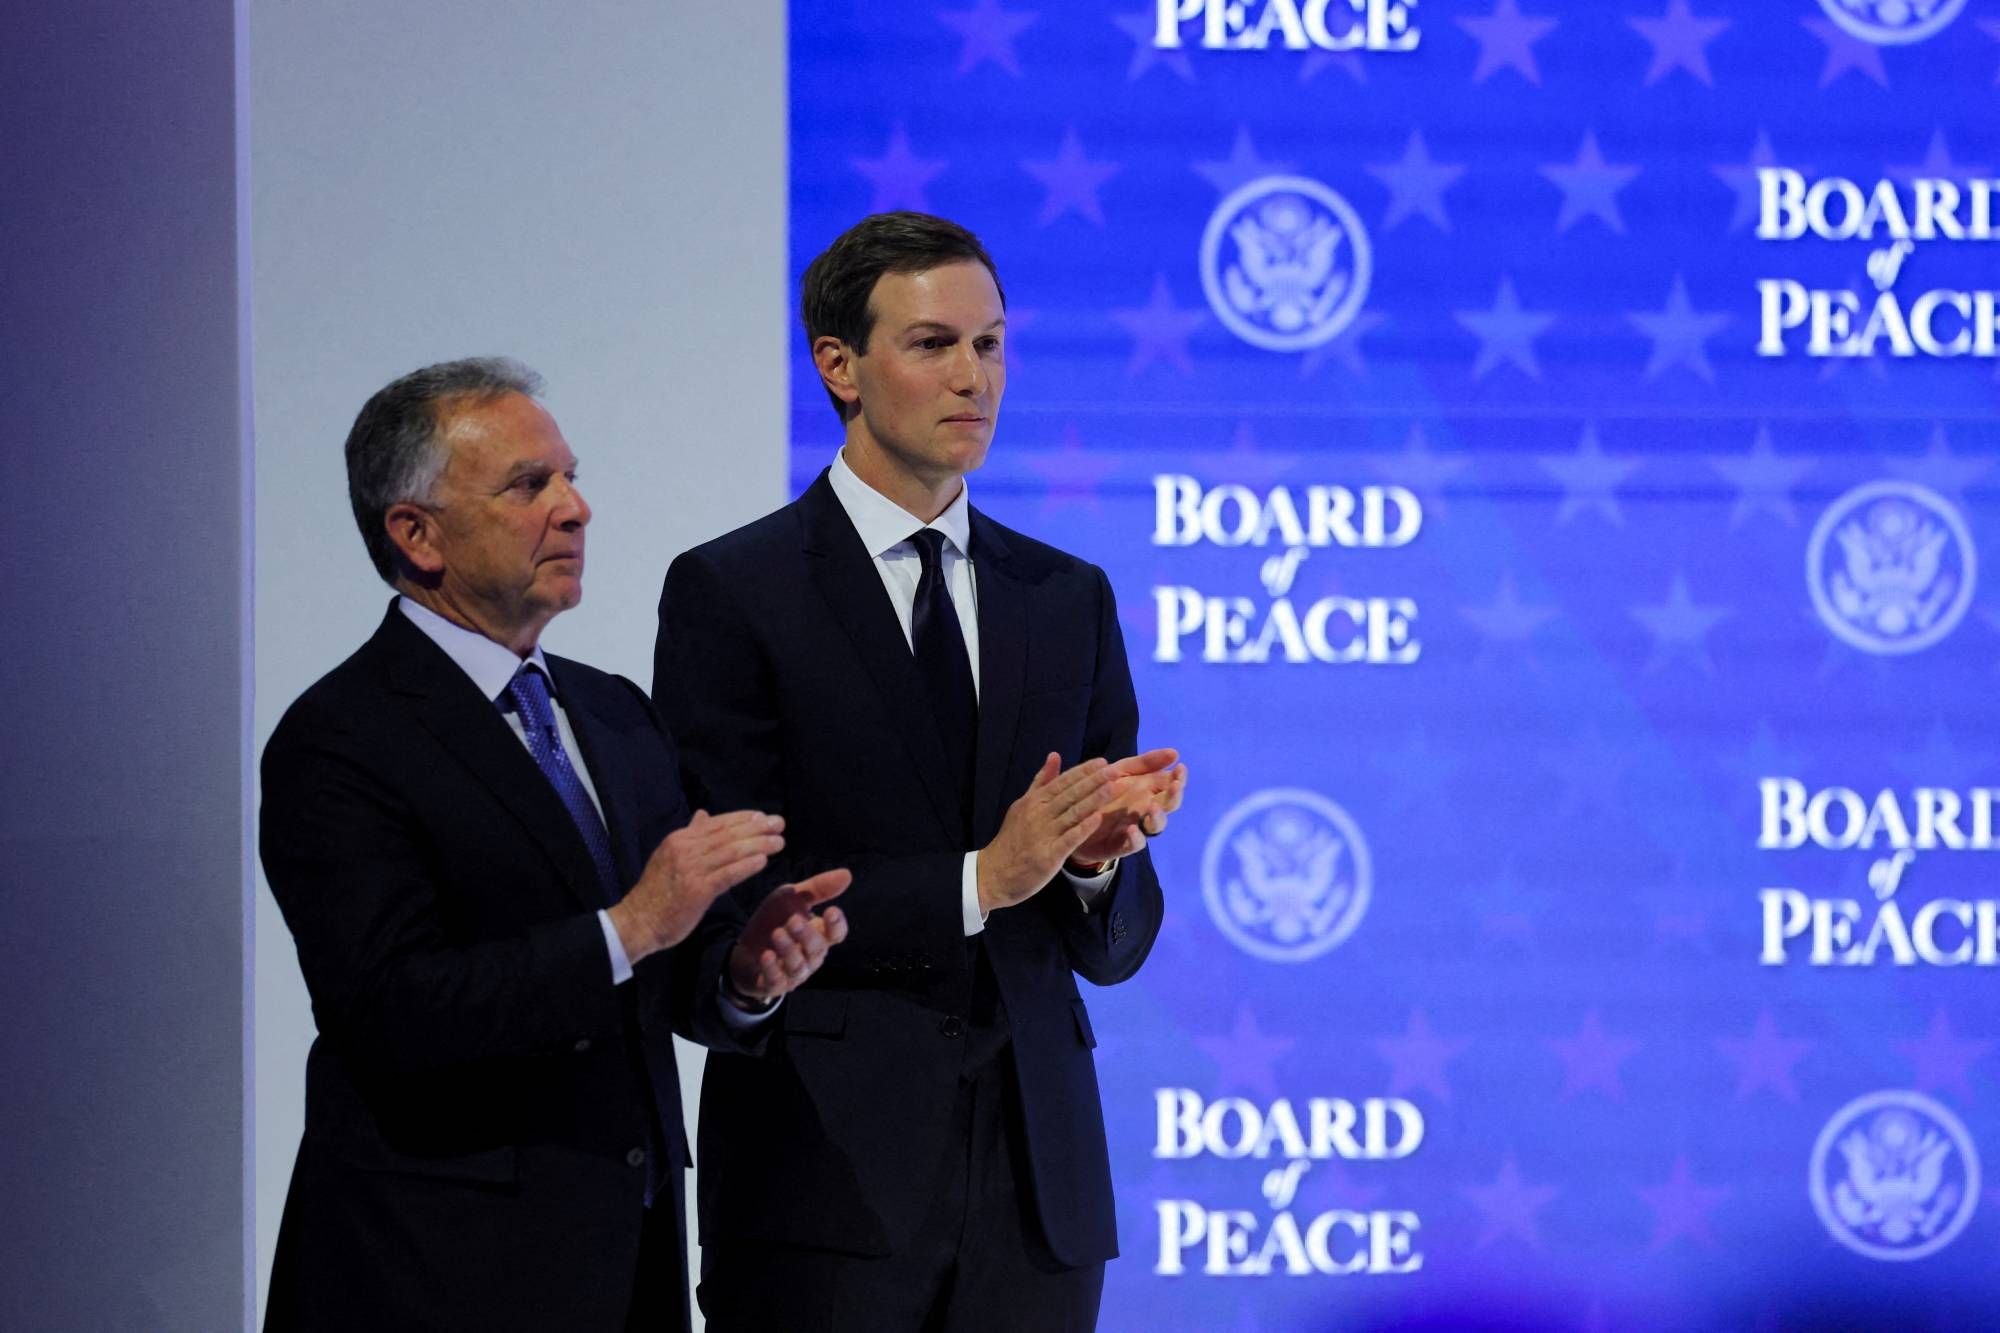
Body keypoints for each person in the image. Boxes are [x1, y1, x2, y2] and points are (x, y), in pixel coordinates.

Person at [654, 213, 1188, 1331]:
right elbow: (737, 899)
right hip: (823, 1188)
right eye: (933, 344)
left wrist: (1094, 865)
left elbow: (1116, 948)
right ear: (838, 366)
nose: (973, 378)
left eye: (989, 345)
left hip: (1037, 1203)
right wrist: (982, 879)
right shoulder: (733, 592)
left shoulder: (1067, 597)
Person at [260, 357, 848, 1331]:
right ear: (416, 533)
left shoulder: (613, 712)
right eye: (528, 485)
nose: (575, 509)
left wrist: (742, 975)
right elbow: (390, 1012)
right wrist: (630, 925)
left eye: (570, 477)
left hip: (628, 1266)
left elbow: (660, 975)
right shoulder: (341, 738)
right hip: (434, 1276)